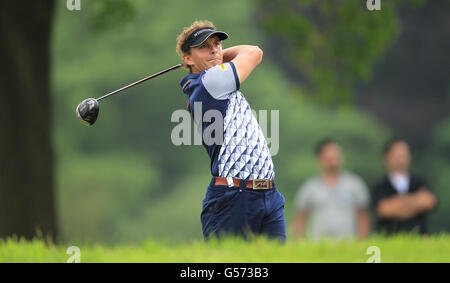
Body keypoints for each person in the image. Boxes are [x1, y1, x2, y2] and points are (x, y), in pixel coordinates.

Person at [176, 20, 286, 241]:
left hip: (267, 194)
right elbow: (254, 52)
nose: (214, 49)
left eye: (216, 44)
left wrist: (212, 56)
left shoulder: (214, 80)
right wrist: (219, 57)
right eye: (203, 46)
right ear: (187, 59)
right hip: (233, 197)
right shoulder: (210, 82)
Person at [293, 138, 370, 241]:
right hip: (318, 248)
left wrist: (360, 243)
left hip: (349, 247)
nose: (333, 160)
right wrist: (301, 244)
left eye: (336, 155)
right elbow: (300, 220)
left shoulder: (354, 184)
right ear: (319, 160)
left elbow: (363, 218)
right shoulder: (310, 188)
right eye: (328, 157)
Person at [372, 138, 437, 235]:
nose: (401, 158)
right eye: (397, 155)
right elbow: (384, 210)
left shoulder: (419, 182)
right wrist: (416, 201)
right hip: (390, 238)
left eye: (404, 154)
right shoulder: (380, 186)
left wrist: (397, 204)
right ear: (386, 157)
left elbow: (429, 202)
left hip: (420, 238)